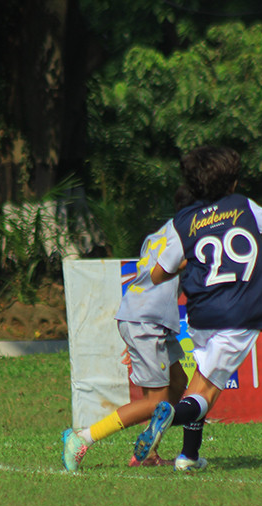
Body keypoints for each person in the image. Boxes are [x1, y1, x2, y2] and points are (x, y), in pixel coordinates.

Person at [134, 145, 262, 471]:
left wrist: (183, 261)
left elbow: (157, 274)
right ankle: (167, 417)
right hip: (239, 313)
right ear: (231, 184)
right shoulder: (242, 206)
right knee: (205, 394)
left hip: (201, 314)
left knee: (200, 382)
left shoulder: (185, 221)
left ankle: (189, 457)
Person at [61, 186, 193, 472]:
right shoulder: (187, 235)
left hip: (147, 318)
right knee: (154, 403)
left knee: (178, 383)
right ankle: (82, 438)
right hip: (148, 320)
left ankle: (148, 453)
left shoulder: (160, 233)